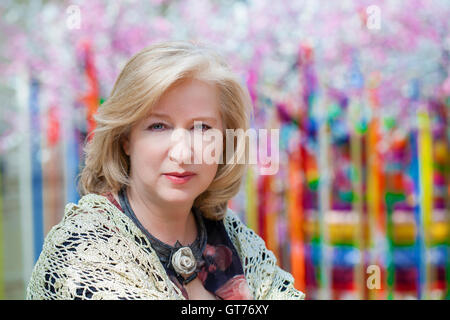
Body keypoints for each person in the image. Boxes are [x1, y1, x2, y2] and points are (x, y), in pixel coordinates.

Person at [26, 40, 305, 300]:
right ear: (125, 139)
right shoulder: (81, 251)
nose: (182, 153)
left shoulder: (234, 238)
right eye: (158, 126)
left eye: (202, 127)